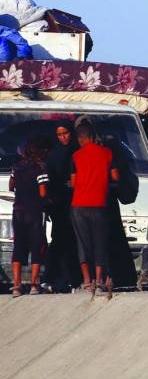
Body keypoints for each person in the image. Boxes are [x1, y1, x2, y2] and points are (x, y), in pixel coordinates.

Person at [70, 120, 118, 293]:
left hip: (78, 205)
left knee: (82, 243)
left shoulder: (76, 156)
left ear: (81, 138)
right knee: (100, 242)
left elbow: (73, 183)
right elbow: (115, 176)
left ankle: (86, 281)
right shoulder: (107, 153)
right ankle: (99, 280)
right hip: (99, 204)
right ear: (92, 136)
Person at [9, 137, 50, 296]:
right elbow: (43, 193)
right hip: (34, 211)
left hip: (18, 210)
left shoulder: (16, 167)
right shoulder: (41, 168)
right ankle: (34, 285)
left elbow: (11, 186)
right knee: (36, 246)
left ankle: (16, 285)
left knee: (18, 246)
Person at [45, 122, 81, 291]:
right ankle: (56, 278)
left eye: (65, 133)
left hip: (76, 202)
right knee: (59, 240)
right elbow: (49, 181)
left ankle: (74, 278)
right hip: (59, 204)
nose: (63, 137)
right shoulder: (53, 155)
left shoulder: (78, 150)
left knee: (75, 240)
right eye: (59, 134)